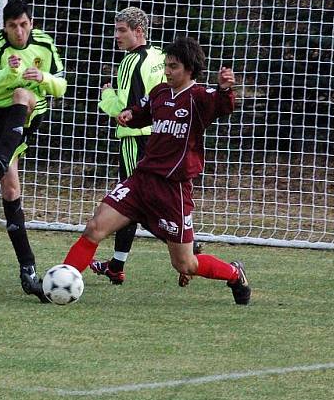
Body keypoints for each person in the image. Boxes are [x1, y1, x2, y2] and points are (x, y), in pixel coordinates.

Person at [62, 36, 251, 305]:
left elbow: (223, 104)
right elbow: (146, 112)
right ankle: (63, 282)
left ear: (189, 69)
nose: (167, 71)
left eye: (173, 66)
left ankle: (234, 274)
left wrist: (224, 89)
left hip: (172, 189)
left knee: (185, 264)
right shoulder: (160, 92)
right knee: (94, 228)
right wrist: (131, 115)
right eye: (166, 65)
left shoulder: (199, 97)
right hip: (142, 180)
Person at [0, 0, 67, 302]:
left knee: (23, 94)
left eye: (24, 24)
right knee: (11, 192)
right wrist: (8, 72)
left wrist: (44, 78)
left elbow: (62, 85)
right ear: (4, 26)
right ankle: (28, 272)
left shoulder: (44, 43)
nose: (18, 31)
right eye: (12, 25)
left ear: (32, 23)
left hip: (29, 109)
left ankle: (2, 158)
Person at [92, 7, 167, 285]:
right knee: (142, 200)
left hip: (135, 139)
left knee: (130, 202)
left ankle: (186, 245)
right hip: (161, 138)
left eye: (122, 30)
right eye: (116, 30)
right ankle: (116, 265)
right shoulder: (160, 56)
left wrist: (106, 95)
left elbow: (125, 112)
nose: (116, 36)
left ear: (139, 31)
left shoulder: (130, 62)